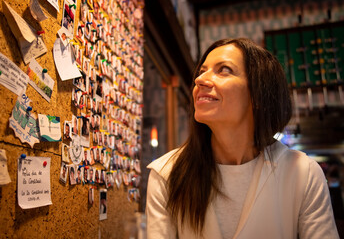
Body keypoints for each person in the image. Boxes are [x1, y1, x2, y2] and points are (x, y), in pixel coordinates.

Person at [145, 38, 339, 239]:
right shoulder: (167, 174)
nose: (199, 80)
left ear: (257, 95)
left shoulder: (302, 173)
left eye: (224, 70)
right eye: (202, 71)